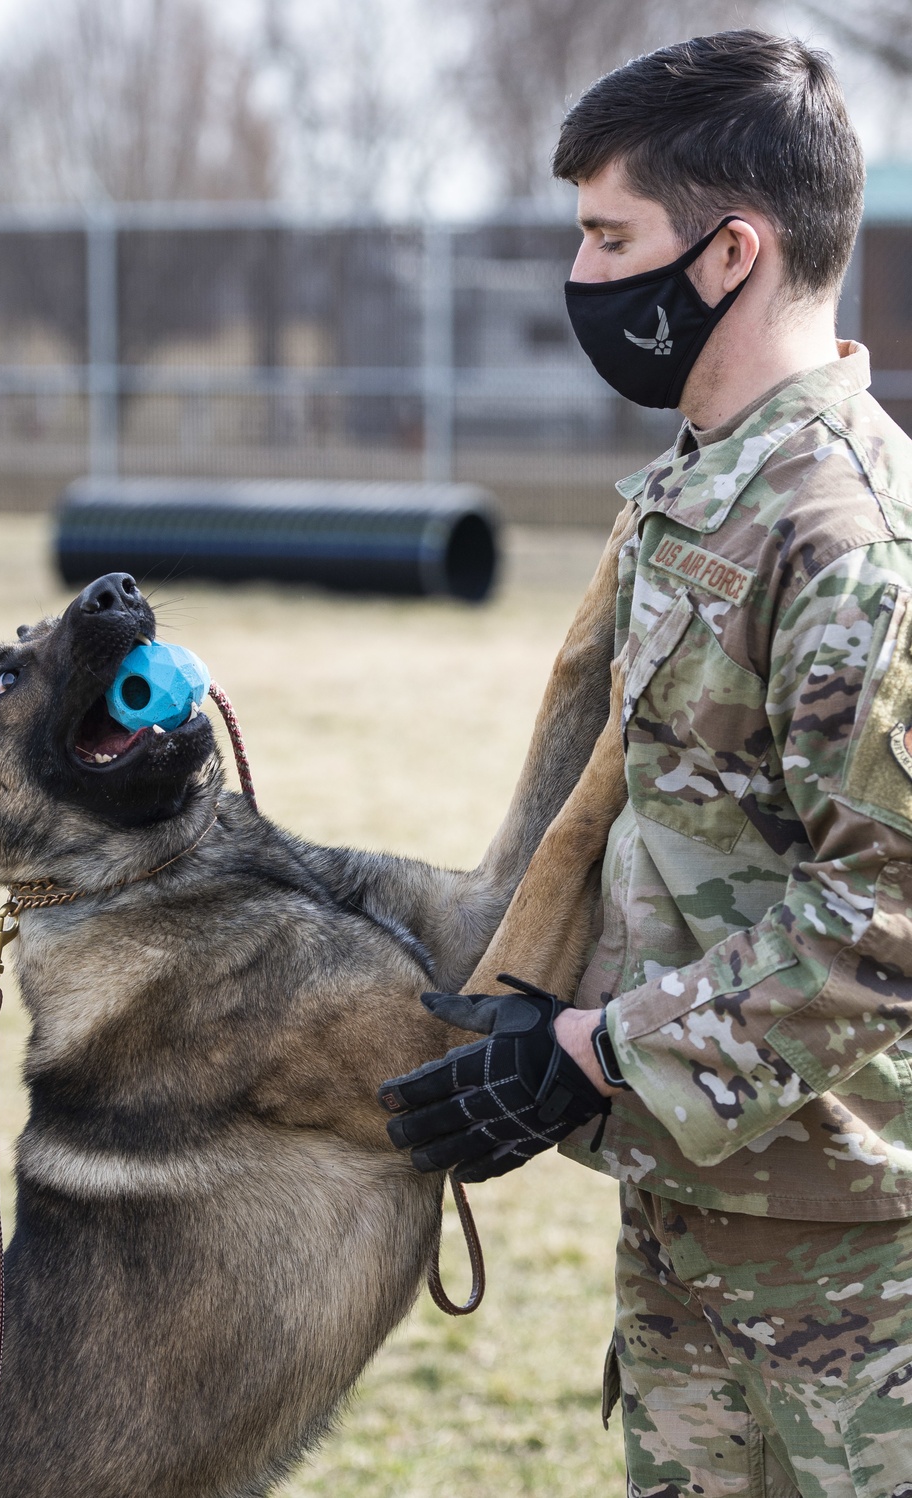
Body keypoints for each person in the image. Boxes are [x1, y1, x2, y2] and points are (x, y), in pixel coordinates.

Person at [379, 30, 912, 1498]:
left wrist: (600, 1055)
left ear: (732, 252)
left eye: (613, 237)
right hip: (690, 1214)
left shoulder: (843, 534)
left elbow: (883, 920)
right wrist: (540, 1015)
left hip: (857, 1278)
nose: (585, 278)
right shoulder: (701, 487)